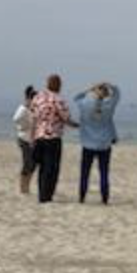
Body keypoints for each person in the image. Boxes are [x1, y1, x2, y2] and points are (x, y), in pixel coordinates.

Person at [30, 74, 77, 203]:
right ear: (58, 85)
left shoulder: (37, 97)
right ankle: (47, 195)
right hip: (53, 137)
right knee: (52, 169)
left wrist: (32, 137)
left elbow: (33, 118)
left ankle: (42, 195)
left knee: (42, 168)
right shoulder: (58, 99)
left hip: (39, 136)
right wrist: (78, 125)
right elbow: (66, 118)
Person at [74, 82, 120, 204]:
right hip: (104, 144)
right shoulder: (109, 106)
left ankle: (82, 196)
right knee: (104, 173)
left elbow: (77, 97)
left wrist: (90, 89)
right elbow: (117, 93)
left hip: (88, 144)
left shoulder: (85, 105)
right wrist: (109, 85)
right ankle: (104, 198)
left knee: (85, 173)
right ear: (106, 94)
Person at [13, 86, 36, 195]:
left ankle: (27, 186)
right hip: (24, 139)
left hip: (32, 140)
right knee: (27, 163)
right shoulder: (23, 108)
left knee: (32, 165)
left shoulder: (33, 109)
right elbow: (16, 119)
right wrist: (24, 126)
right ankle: (23, 188)